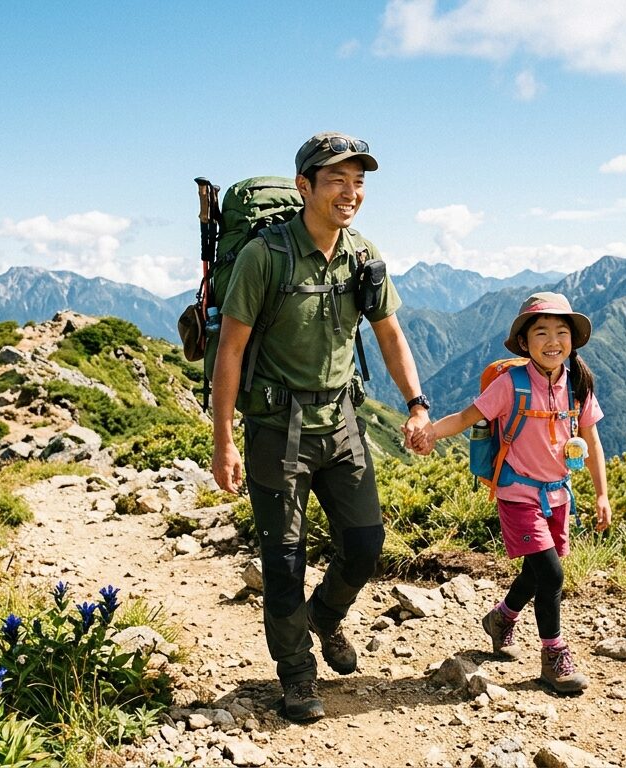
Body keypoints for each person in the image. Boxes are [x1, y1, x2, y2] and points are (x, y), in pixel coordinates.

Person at [211, 131, 433, 721]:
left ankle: (324, 618)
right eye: (337, 180)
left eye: (358, 182)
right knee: (283, 562)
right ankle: (297, 674)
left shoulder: (363, 255)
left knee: (364, 547)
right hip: (275, 430)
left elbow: (388, 333)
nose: (350, 192)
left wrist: (416, 402)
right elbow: (230, 349)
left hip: (342, 424)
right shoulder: (267, 257)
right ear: (304, 186)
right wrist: (225, 440)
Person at [420, 291, 612, 694]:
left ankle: (502, 617)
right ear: (524, 343)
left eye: (562, 332)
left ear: (573, 340)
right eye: (541, 332)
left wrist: (601, 495)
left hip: (559, 495)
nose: (553, 341)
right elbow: (469, 416)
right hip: (517, 492)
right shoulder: (511, 384)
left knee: (537, 569)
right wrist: (431, 431)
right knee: (552, 573)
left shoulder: (579, 385)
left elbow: (592, 443)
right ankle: (554, 658)